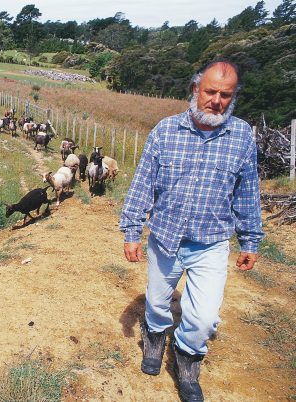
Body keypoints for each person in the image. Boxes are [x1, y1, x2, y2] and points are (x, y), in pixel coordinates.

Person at [119, 60, 264, 402]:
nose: (216, 100)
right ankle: (154, 337)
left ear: (233, 97)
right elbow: (143, 184)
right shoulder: (165, 131)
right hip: (165, 238)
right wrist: (131, 231)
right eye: (210, 91)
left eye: (225, 94)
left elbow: (247, 192)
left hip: (211, 243)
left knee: (203, 318)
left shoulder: (241, 136)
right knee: (156, 302)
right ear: (195, 90)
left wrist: (250, 239)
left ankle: (187, 359)